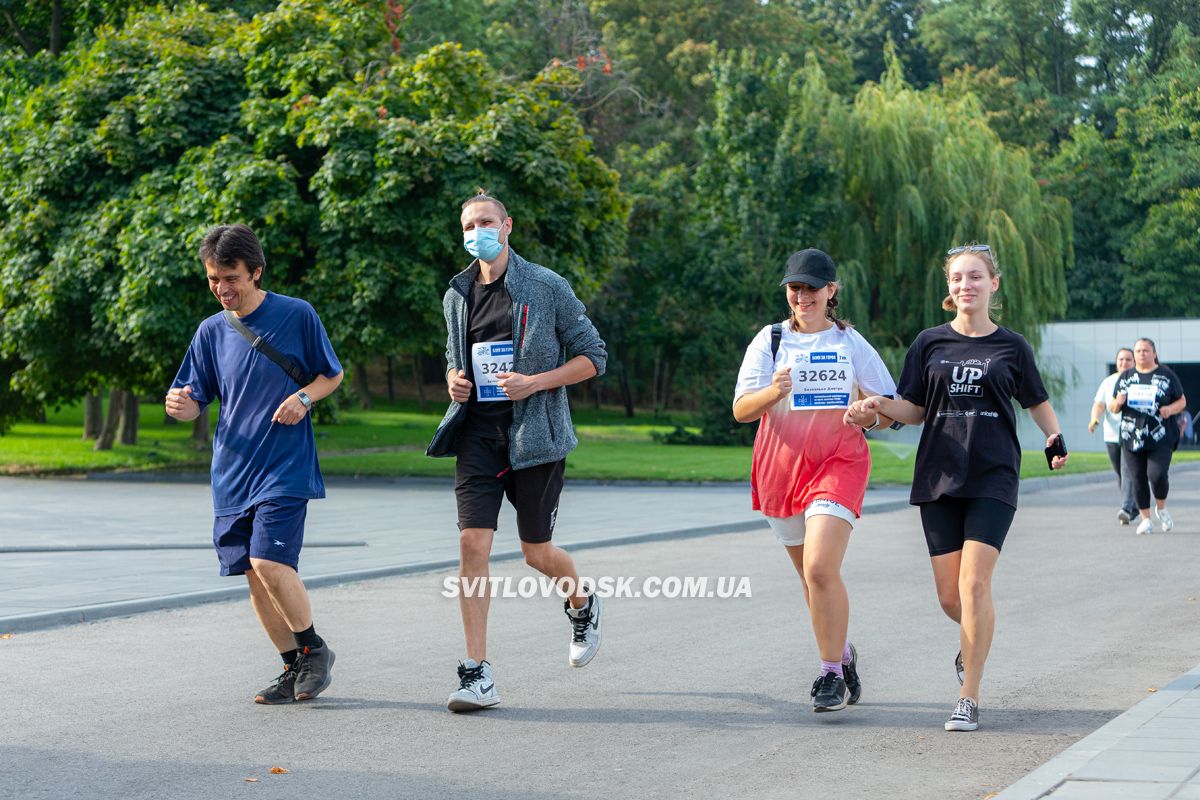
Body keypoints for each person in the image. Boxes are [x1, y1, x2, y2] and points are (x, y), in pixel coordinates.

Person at [845, 243, 1068, 733]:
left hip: (993, 475)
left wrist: (1054, 437)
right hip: (939, 475)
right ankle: (975, 636)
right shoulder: (929, 343)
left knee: (974, 585)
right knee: (952, 598)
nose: (964, 286)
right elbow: (912, 409)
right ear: (949, 289)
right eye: (956, 279)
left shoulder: (1012, 346)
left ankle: (968, 695)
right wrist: (875, 407)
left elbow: (1037, 400)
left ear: (993, 284)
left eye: (974, 277)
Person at [426, 191, 608, 712]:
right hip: (478, 435)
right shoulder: (456, 294)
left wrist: (535, 383)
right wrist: (453, 382)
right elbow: (452, 359)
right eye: (468, 224)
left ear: (507, 226)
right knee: (472, 547)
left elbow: (593, 356)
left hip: (536, 437)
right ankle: (477, 673)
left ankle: (581, 600)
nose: (476, 230)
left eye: (485, 221)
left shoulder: (546, 286)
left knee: (536, 553)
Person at [165, 224, 344, 705]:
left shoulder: (296, 314)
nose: (222, 288)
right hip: (231, 472)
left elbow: (332, 374)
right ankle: (291, 668)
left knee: (270, 560)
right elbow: (193, 395)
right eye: (213, 279)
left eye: (231, 277)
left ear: (256, 272)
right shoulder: (209, 331)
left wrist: (303, 397)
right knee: (253, 573)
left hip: (283, 466)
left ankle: (314, 649)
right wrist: (180, 406)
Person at [733, 248, 897, 713]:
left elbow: (887, 409)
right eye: (795, 287)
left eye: (811, 288)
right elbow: (742, 410)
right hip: (780, 468)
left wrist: (868, 415)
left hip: (838, 462)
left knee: (821, 568)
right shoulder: (770, 340)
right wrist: (774, 390)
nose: (802, 296)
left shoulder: (850, 342)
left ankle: (829, 676)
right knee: (811, 581)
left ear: (831, 291)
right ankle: (843, 654)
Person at [1109, 338, 1188, 535]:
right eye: (1137, 351)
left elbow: (1182, 401)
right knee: (1137, 478)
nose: (1141, 354)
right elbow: (1113, 407)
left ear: (1154, 353)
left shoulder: (1166, 375)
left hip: (1160, 436)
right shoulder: (1126, 377)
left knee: (1157, 474)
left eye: (1145, 350)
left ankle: (1161, 508)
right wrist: (1118, 403)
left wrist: (1170, 409)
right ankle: (1145, 519)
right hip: (1131, 436)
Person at [1089, 348, 1138, 524]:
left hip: (1132, 435)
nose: (1124, 363)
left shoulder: (1138, 381)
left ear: (1134, 362)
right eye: (1121, 359)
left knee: (1127, 470)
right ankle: (1134, 507)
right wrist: (1095, 419)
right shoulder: (1108, 382)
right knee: (1120, 472)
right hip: (1111, 434)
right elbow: (1099, 404)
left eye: (1128, 360)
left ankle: (1125, 507)